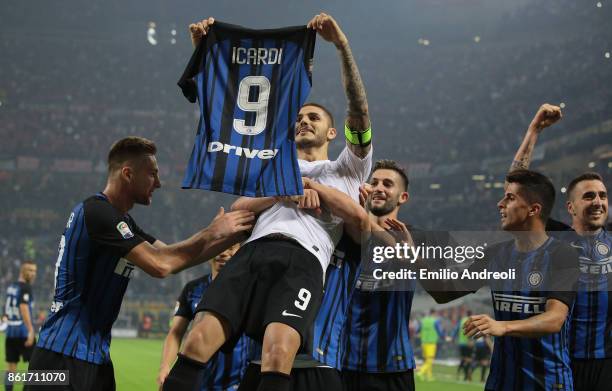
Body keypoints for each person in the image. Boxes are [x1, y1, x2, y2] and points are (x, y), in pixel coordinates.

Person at [163, 12, 372, 391]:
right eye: (298, 117)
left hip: (305, 260)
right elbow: (239, 208)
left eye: (313, 116)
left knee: (278, 354)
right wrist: (285, 188)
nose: (303, 121)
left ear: (331, 130)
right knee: (195, 342)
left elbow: (359, 110)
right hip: (253, 253)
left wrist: (342, 47)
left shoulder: (346, 170)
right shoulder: (271, 161)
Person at [25, 137, 254, 391]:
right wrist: (212, 232)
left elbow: (171, 256)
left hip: (94, 357)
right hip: (60, 357)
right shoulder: (98, 213)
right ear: (127, 174)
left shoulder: (123, 222)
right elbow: (160, 265)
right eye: (152, 174)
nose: (158, 183)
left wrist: (237, 234)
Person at [430, 169, 580, 390]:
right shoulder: (495, 254)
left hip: (547, 383)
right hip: (501, 382)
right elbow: (444, 291)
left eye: (510, 198)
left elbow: (555, 319)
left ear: (533, 209)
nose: (500, 204)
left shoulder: (563, 254)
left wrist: (502, 326)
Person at [509, 104, 611, 391]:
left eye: (603, 195)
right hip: (561, 364)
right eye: (589, 196)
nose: (598, 202)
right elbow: (517, 190)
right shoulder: (557, 238)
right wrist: (533, 132)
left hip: (607, 364)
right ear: (571, 207)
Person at [158, 243, 257, 391]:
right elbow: (176, 333)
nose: (223, 252)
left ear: (240, 252)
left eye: (230, 247)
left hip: (236, 384)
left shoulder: (250, 288)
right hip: (196, 381)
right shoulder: (193, 289)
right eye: (219, 247)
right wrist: (165, 366)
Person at [3, 261, 37, 391]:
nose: (33, 274)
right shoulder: (25, 288)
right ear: (22, 271)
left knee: (11, 367)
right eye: (30, 270)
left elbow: (6, 306)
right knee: (34, 365)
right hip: (23, 331)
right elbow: (23, 308)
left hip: (10, 332)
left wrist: (5, 316)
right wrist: (30, 330)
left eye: (34, 271)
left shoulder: (12, 286)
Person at [415, 309, 446, 382]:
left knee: (427, 360)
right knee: (430, 360)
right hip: (431, 343)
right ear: (434, 313)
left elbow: (418, 330)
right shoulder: (435, 321)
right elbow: (440, 331)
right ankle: (420, 372)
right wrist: (444, 337)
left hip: (423, 342)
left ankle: (429, 376)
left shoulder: (423, 320)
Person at [454, 311, 474, 382]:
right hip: (467, 343)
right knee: (468, 360)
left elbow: (456, 329)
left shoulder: (461, 320)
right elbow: (469, 331)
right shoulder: (470, 321)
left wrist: (453, 337)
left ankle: (458, 373)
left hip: (461, 343)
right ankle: (466, 376)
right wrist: (470, 340)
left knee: (463, 359)